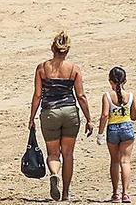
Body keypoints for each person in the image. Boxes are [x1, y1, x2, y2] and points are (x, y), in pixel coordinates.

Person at [29, 31, 94, 202]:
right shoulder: (74, 69)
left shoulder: (42, 68)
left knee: (53, 154)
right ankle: (65, 193)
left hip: (49, 113)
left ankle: (54, 174)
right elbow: (81, 96)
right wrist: (89, 119)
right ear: (67, 50)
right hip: (70, 112)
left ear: (53, 48)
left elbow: (37, 95)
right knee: (68, 154)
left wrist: (31, 118)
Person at [96, 67, 136, 203]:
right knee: (125, 161)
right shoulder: (130, 96)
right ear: (125, 80)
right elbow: (134, 117)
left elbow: (104, 115)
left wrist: (100, 134)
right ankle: (125, 193)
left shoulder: (107, 96)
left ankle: (115, 193)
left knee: (114, 161)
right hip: (127, 129)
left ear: (110, 81)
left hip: (112, 130)